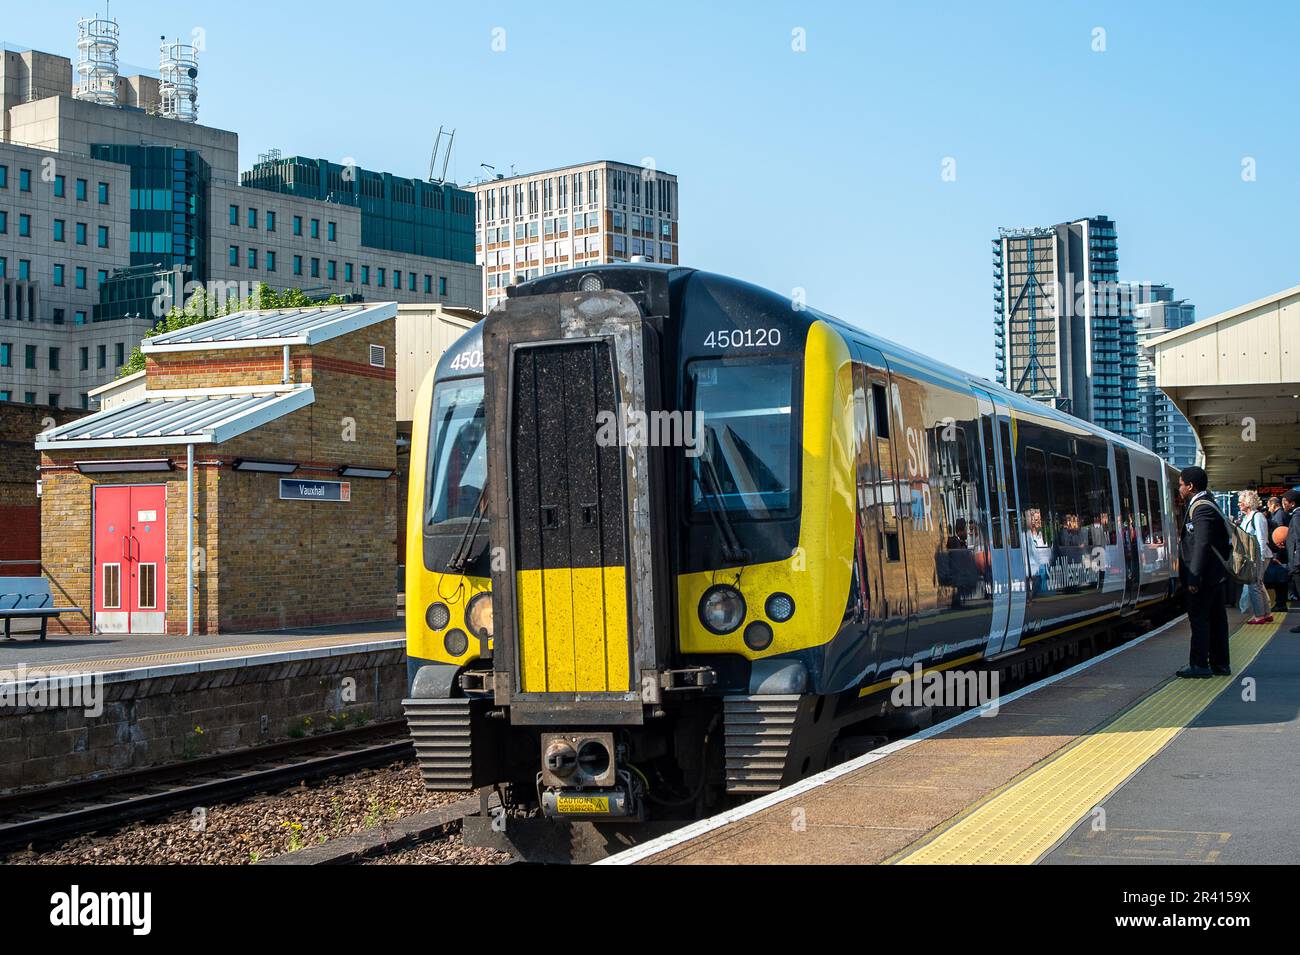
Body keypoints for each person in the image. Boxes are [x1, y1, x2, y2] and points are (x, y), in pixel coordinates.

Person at [1176, 466, 1231, 677]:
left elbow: (1201, 544)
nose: (1179, 488)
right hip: (1214, 575)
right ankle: (1220, 664)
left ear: (1190, 486)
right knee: (1217, 619)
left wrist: (1194, 576)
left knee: (1200, 620)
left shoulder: (1201, 508)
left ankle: (1199, 664)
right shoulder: (1208, 503)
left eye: (1181, 484)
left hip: (1205, 576)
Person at [1237, 490, 1273, 624]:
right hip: (1252, 555)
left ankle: (1259, 616)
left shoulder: (1257, 516)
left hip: (1258, 555)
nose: (1239, 504)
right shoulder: (1247, 517)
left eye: (1241, 501)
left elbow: (1262, 538)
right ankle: (1267, 613)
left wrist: (1260, 557)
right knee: (1258, 584)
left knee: (1253, 585)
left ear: (1248, 503)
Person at [1286, 490, 1300, 633]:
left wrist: (1296, 563)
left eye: (1286, 502)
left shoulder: (1297, 517)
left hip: (1298, 563)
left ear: (1292, 503)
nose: (1284, 505)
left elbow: (1299, 540)